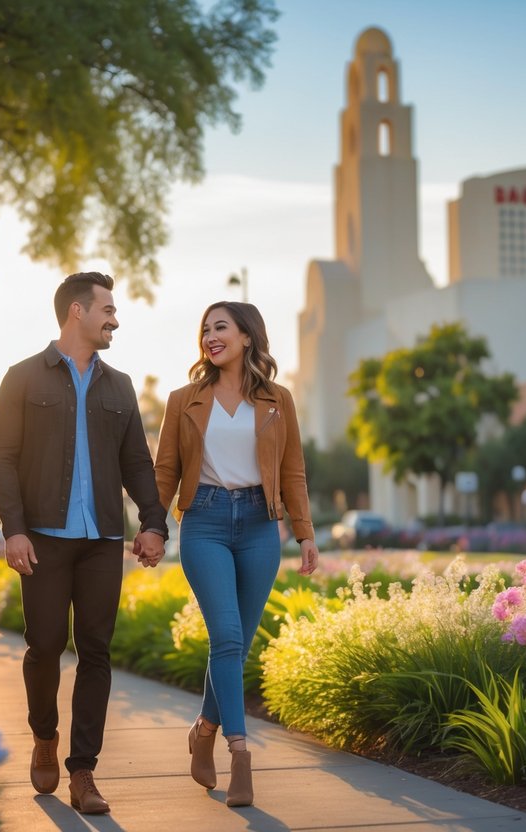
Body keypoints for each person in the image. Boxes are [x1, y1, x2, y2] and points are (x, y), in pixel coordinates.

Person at [0, 271, 168, 815]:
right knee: (44, 647)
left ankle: (83, 771)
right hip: (41, 538)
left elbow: (137, 462)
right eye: (107, 309)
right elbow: (1, 457)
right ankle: (45, 734)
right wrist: (13, 527)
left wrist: (153, 522)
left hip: (101, 542)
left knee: (96, 651)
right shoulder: (22, 378)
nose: (115, 319)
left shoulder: (120, 386)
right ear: (76, 313)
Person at [150, 300, 318, 808]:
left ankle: (203, 728)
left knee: (236, 645)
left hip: (259, 525)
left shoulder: (277, 400)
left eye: (220, 327)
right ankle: (240, 753)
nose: (210, 336)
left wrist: (305, 533)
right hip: (203, 521)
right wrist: (153, 528)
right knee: (224, 635)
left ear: (248, 337)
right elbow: (165, 472)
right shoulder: (184, 400)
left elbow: (292, 472)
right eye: (204, 329)